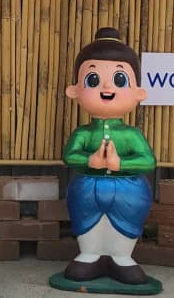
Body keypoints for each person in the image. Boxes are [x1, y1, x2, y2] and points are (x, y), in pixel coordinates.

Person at [62, 27, 155, 285]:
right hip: (86, 188)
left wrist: (121, 163)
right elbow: (70, 155)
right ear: (75, 90)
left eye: (119, 80)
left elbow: (148, 161)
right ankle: (89, 253)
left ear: (138, 92)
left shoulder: (131, 135)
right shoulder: (83, 133)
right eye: (92, 80)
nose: (106, 86)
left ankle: (122, 255)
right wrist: (88, 161)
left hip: (129, 190)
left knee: (125, 220)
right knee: (86, 217)